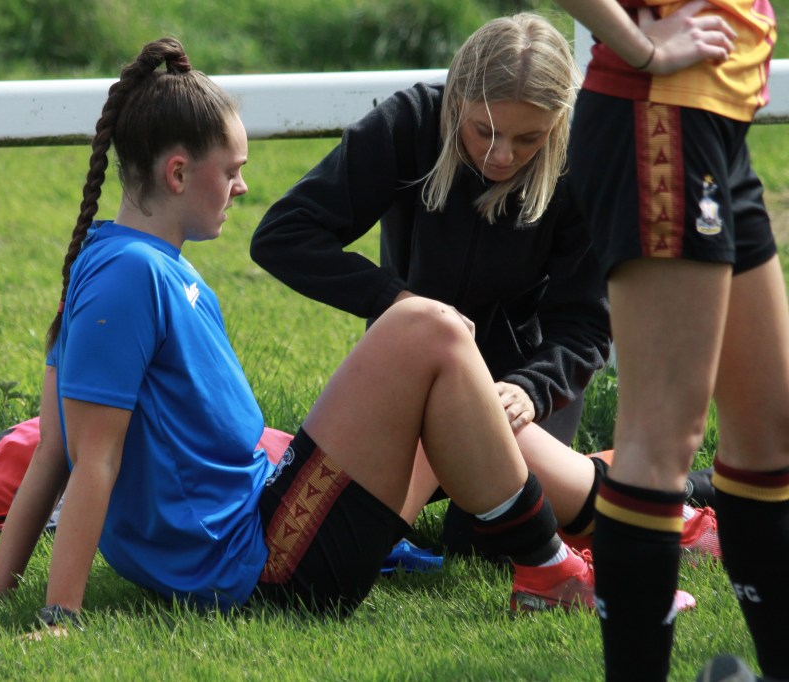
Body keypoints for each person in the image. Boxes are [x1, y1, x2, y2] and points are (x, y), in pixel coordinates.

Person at [0, 37, 699, 630]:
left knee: (441, 362)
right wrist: (61, 614)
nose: (246, 185)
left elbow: (59, 445)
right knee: (428, 329)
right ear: (181, 174)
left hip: (263, 524)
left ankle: (605, 539)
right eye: (234, 169)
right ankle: (576, 557)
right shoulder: (130, 278)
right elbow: (82, 455)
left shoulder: (138, 268)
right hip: (264, 564)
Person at [250, 12, 715, 561]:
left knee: (483, 544)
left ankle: (660, 496)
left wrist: (530, 388)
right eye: (484, 131)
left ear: (559, 123)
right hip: (415, 374)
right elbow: (282, 234)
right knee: (365, 531)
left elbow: (586, 324)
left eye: (529, 139)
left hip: (522, 388)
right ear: (456, 102)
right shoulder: (410, 124)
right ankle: (647, 489)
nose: (501, 155)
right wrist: (396, 302)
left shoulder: (583, 161)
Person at [549, 1, 785, 680]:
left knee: (770, 432)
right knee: (662, 439)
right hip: (658, 111)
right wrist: (641, 46)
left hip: (712, 125)